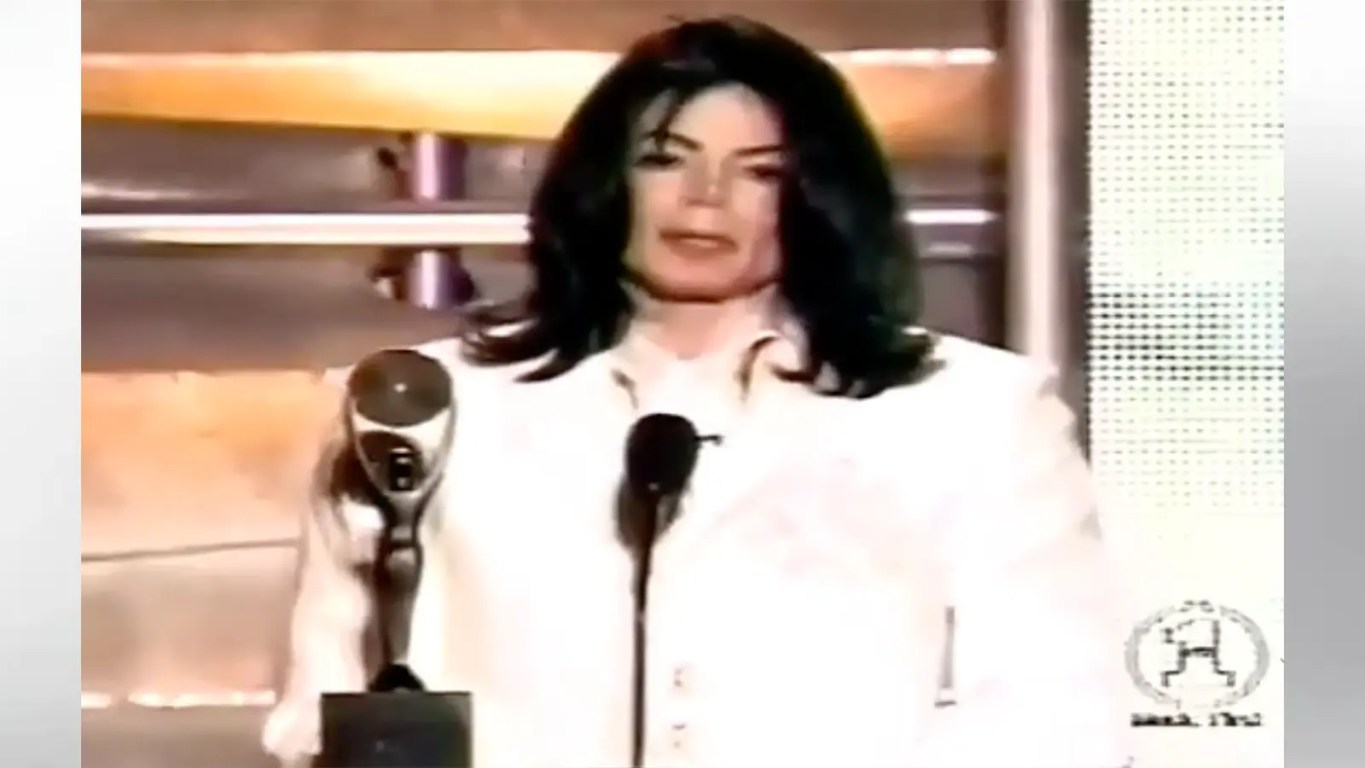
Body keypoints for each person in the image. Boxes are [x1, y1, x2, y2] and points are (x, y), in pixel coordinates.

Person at [263, 16, 1131, 768]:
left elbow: (1054, 716)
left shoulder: (968, 414)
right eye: (664, 160)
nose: (704, 197)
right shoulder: (431, 404)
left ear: (813, 198)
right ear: (606, 180)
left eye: (759, 171)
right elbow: (322, 705)